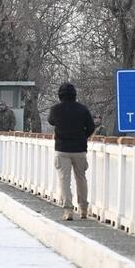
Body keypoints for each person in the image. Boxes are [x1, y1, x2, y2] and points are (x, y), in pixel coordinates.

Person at [48, 83, 95, 221]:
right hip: (79, 149)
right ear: (75, 94)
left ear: (60, 95)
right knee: (81, 178)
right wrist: (82, 137)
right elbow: (91, 127)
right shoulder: (83, 109)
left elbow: (51, 121)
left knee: (64, 179)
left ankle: (68, 210)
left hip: (62, 149)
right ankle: (83, 209)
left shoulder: (56, 109)